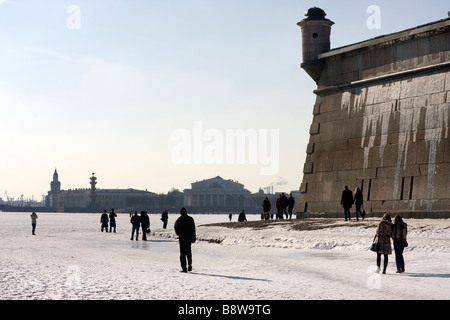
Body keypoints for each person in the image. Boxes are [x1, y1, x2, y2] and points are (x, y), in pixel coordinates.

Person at [174, 208, 196, 273]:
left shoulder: (179, 219)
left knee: (182, 253)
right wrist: (193, 238)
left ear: (180, 213)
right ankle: (189, 264)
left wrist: (179, 234)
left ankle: (184, 268)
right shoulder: (190, 219)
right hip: (189, 238)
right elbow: (193, 229)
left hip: (182, 238)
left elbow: (176, 228)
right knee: (189, 251)